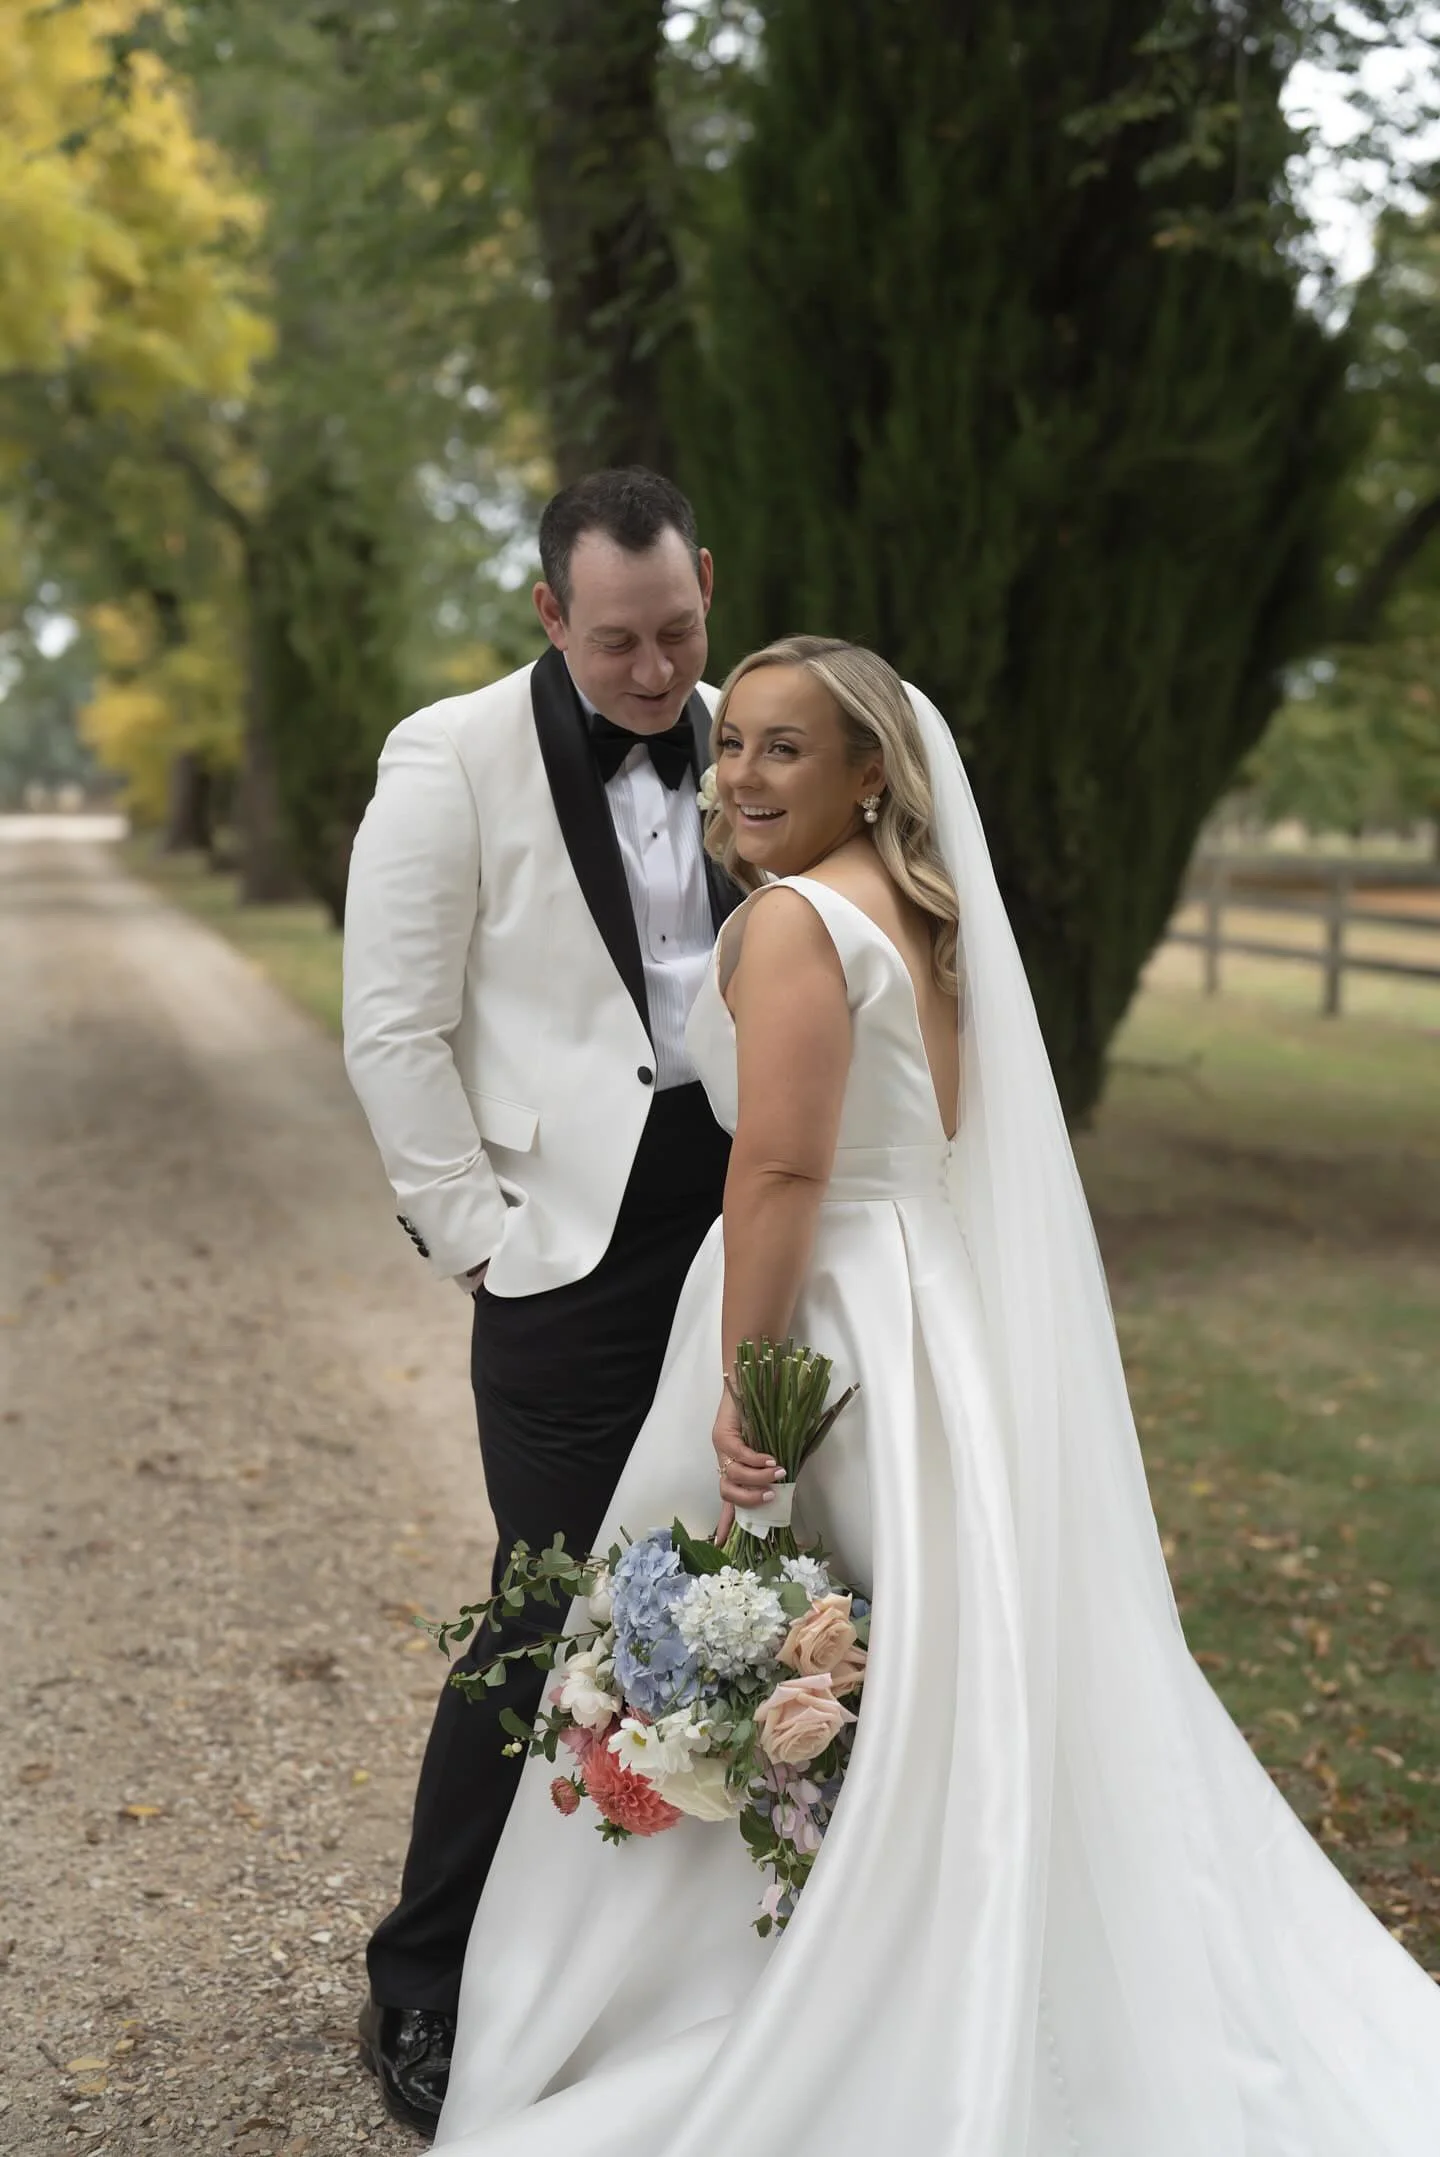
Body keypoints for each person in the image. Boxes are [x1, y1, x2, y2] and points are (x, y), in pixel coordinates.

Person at [428, 638, 1440, 2155]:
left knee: (778, 1625)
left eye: (788, 750)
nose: (745, 774)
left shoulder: (789, 923)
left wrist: (744, 1391)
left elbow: (778, 1168)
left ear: (868, 774)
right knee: (901, 1653)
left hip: (822, 1315)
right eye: (740, 743)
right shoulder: (929, 911)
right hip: (927, 1312)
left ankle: (775, 1987)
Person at [341, 469, 739, 2134]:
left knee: (740, 1593)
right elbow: (391, 1026)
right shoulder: (449, 756)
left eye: (679, 634)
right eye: (620, 643)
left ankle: (668, 1979)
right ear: (548, 614)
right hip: (561, 1256)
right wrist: (476, 1238)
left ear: (707, 588)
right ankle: (420, 1977)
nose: (657, 677)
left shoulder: (761, 734)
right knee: (551, 1606)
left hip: (744, 1233)